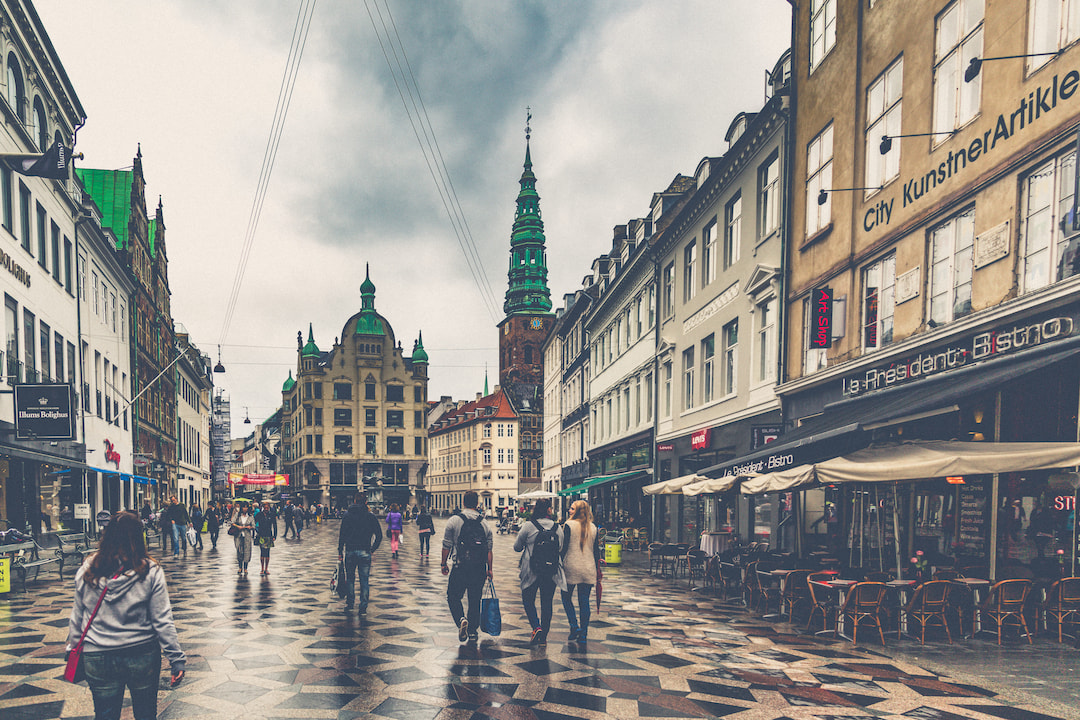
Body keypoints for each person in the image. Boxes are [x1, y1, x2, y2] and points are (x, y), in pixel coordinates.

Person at [65, 511, 184, 720]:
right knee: (145, 714)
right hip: (142, 652)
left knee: (105, 715)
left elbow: (77, 615)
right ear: (139, 537)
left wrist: (72, 648)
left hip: (98, 654)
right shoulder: (150, 570)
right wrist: (176, 658)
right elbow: (162, 620)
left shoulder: (88, 568)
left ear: (107, 535)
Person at [441, 491, 493, 643]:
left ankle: (461, 619)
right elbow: (489, 550)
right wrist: (490, 569)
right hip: (479, 568)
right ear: (477, 504)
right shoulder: (485, 523)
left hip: (460, 566)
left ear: (463, 502)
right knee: (475, 599)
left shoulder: (454, 521)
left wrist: (443, 564)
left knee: (453, 596)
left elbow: (446, 545)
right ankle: (472, 631)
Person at [514, 498, 564, 645]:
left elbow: (517, 547)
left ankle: (536, 627)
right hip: (550, 570)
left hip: (531, 570)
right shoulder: (557, 528)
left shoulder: (528, 526)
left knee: (528, 600)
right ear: (549, 510)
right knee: (547, 603)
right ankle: (543, 637)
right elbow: (560, 547)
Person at [560, 499, 601, 644]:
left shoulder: (569, 525)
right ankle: (583, 634)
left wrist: (559, 564)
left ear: (577, 511)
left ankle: (574, 626)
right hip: (588, 567)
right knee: (584, 601)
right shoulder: (593, 527)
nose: (569, 510)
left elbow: (564, 548)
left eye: (572, 508)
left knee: (566, 597)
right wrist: (598, 568)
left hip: (571, 566)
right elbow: (596, 551)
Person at [337, 495, 382, 615]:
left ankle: (350, 603)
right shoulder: (370, 516)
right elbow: (379, 535)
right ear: (366, 502)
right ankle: (363, 607)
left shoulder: (347, 515)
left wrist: (340, 551)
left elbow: (342, 535)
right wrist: (372, 549)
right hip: (365, 551)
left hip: (350, 550)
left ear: (355, 501)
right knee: (364, 580)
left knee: (350, 579)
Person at [231, 502, 255, 575]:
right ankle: (240, 567)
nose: (245, 508)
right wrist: (238, 526)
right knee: (239, 551)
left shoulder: (250, 516)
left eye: (246, 507)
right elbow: (232, 522)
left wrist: (249, 527)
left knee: (247, 551)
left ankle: (245, 568)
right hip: (239, 535)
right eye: (244, 507)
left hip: (247, 536)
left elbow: (253, 526)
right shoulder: (237, 515)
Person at [255, 502, 277, 575]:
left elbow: (275, 525)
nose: (266, 509)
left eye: (267, 508)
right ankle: (262, 568)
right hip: (261, 535)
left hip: (269, 535)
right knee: (262, 552)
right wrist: (256, 531)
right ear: (263, 508)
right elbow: (254, 522)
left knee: (267, 552)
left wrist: (275, 536)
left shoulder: (271, 515)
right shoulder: (259, 514)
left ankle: (266, 569)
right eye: (265, 508)